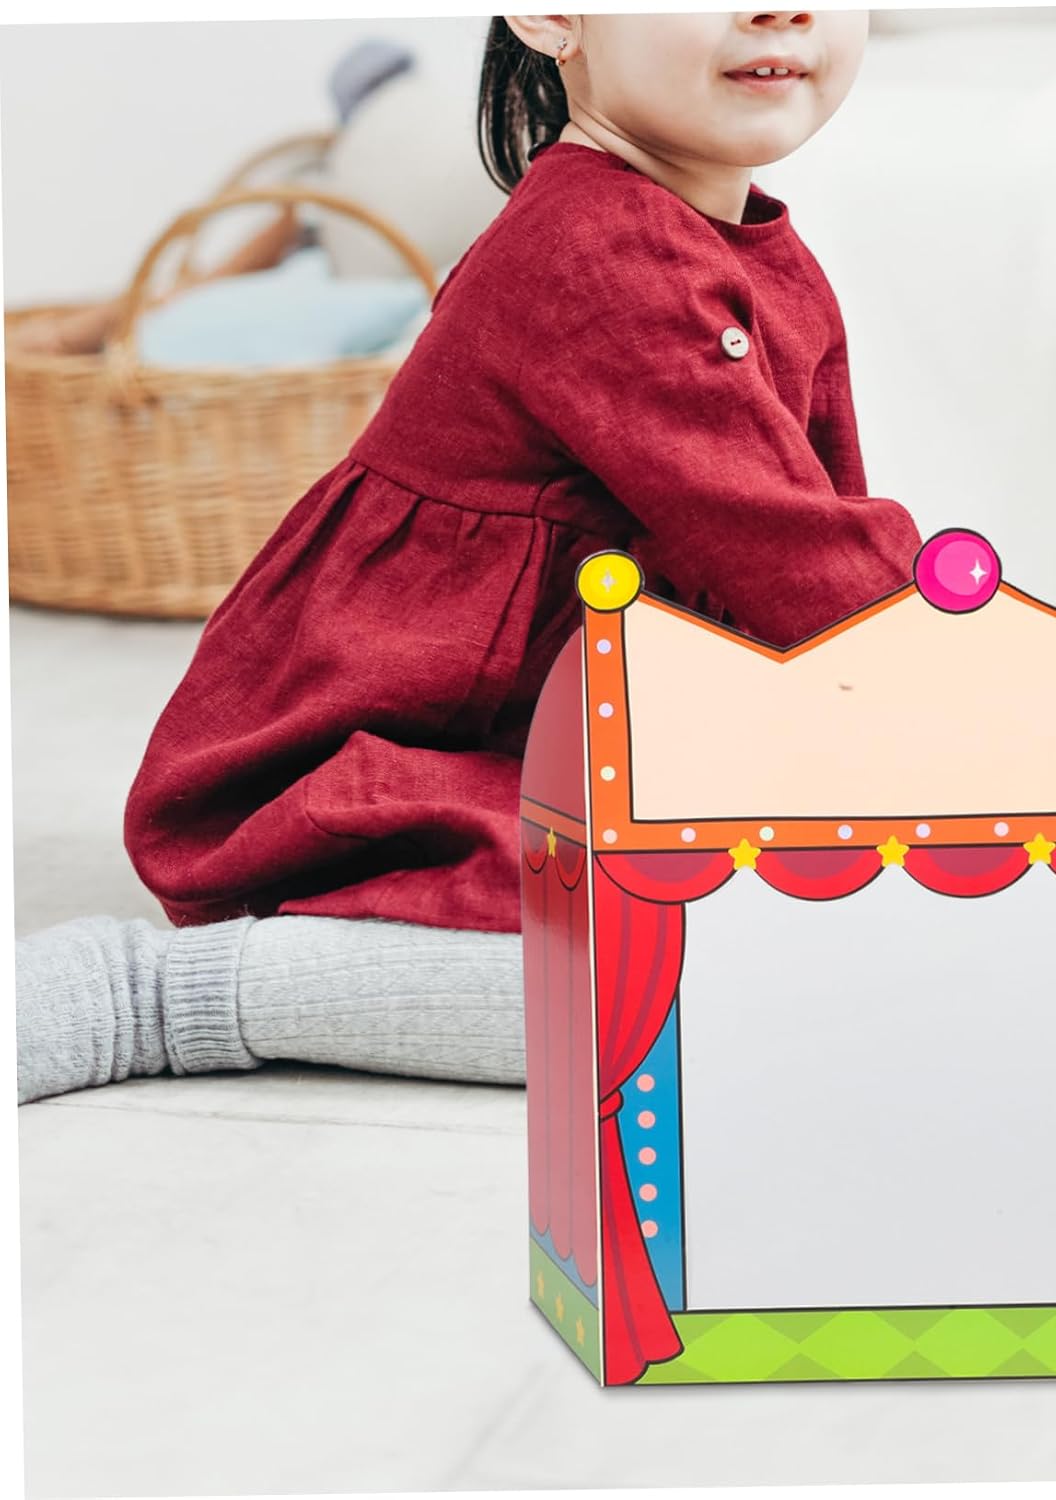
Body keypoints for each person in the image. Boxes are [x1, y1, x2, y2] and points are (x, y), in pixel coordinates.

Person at [14, 11, 922, 1104]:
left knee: (846, 909)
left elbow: (820, 575)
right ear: (551, 15)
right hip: (351, 773)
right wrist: (988, 689)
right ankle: (161, 995)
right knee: (727, 979)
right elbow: (807, 567)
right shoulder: (599, 249)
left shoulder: (747, 249)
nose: (781, 8)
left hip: (553, 749)